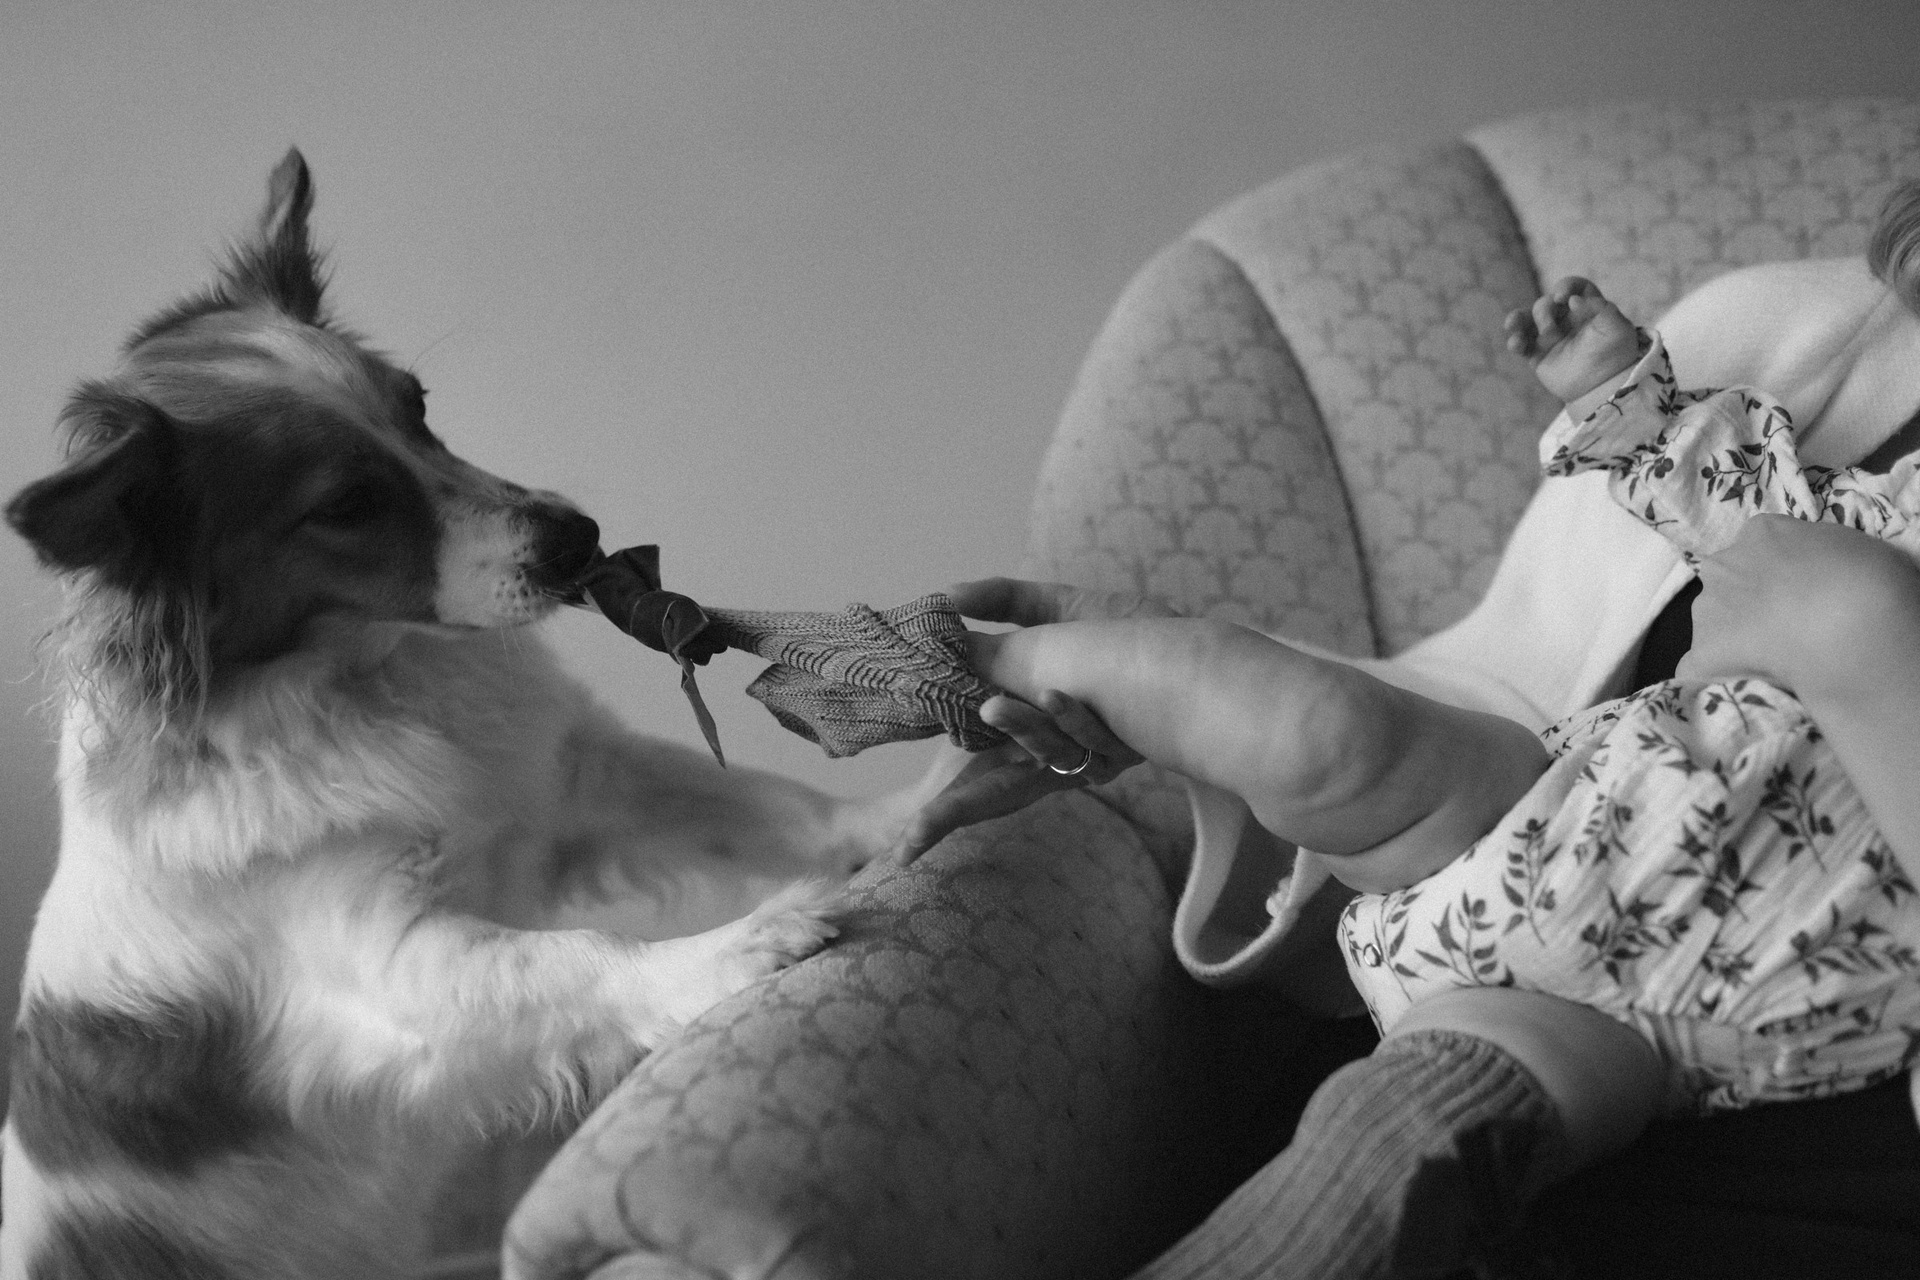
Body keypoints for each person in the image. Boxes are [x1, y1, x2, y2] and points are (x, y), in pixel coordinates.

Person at [905, 184, 1920, 1274]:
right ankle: (970, 662)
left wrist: (1862, 634)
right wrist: (1622, 391)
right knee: (1340, 741)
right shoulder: (1856, 426)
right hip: (1556, 820)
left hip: (1713, 1039)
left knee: (1427, 1133)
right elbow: (1719, 496)